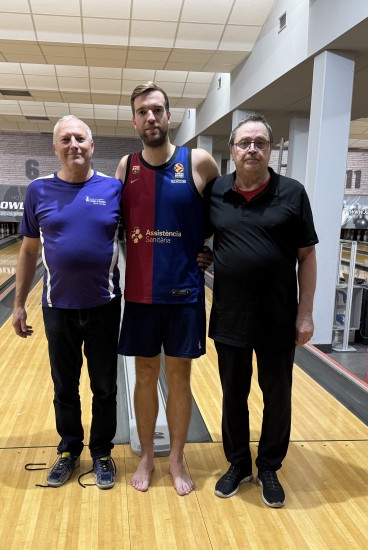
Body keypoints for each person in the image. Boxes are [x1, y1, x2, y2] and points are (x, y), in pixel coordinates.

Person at [206, 114, 318, 508]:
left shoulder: (292, 193)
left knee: (277, 396)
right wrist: (203, 254)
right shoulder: (217, 191)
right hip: (230, 316)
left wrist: (305, 314)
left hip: (278, 317)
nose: (252, 149)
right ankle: (238, 463)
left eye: (260, 143)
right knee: (233, 395)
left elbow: (307, 256)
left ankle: (269, 466)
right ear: (233, 150)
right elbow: (203, 237)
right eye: (244, 142)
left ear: (271, 150)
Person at [116, 82, 220, 496]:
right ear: (134, 121)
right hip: (141, 295)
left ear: (169, 116)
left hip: (184, 295)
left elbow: (225, 214)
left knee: (179, 378)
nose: (151, 117)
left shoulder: (199, 162)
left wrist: (210, 250)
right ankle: (146, 455)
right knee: (145, 375)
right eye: (143, 111)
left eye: (157, 110)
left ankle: (177, 459)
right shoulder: (126, 167)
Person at [12, 115, 123, 489]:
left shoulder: (113, 189)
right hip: (57, 307)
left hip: (105, 305)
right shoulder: (38, 191)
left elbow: (139, 239)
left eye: (80, 138)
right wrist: (18, 304)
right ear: (55, 148)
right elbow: (29, 251)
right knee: (64, 386)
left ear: (92, 146)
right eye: (66, 139)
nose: (73, 144)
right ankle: (69, 450)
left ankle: (102, 452)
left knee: (104, 387)